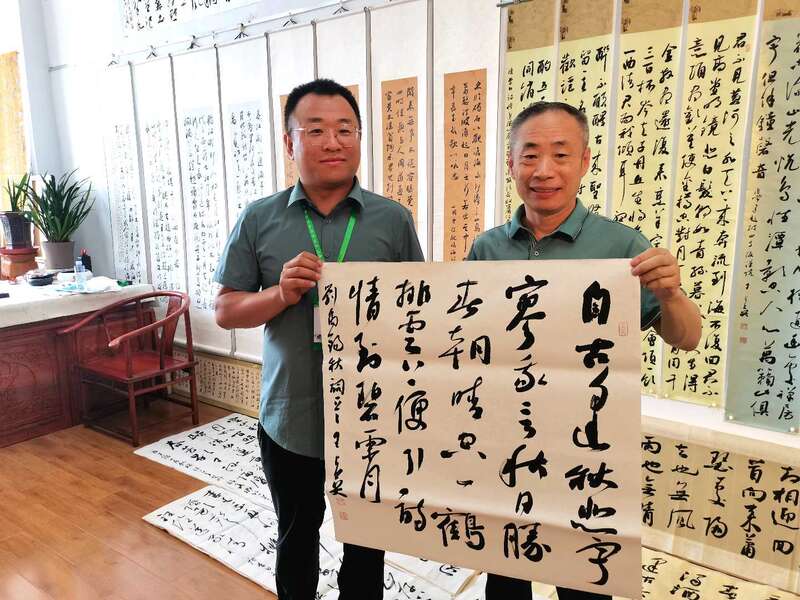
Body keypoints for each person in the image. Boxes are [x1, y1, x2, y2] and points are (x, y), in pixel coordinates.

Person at [469, 101, 702, 600]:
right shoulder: (486, 249)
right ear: (511, 164)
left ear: (585, 162)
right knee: (505, 574)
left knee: (583, 580)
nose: (544, 170)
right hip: (506, 440)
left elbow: (686, 338)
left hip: (587, 443)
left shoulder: (623, 247)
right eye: (530, 155)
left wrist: (670, 294)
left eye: (560, 154)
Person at [213, 78, 424, 600]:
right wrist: (279, 294)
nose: (333, 142)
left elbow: (420, 311)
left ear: (359, 138)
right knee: (296, 537)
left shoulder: (393, 220)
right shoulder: (259, 219)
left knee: (367, 547)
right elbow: (225, 310)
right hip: (291, 417)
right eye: (315, 130)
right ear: (290, 142)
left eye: (345, 130)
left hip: (372, 417)